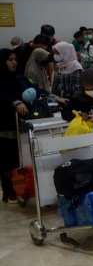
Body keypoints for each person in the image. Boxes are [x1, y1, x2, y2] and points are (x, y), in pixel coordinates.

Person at [0, 49, 46, 203]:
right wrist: (16, 102)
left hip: (23, 124)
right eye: (9, 60)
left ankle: (23, 190)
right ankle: (9, 193)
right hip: (6, 125)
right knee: (8, 160)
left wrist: (53, 96)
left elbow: (32, 90)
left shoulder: (20, 76)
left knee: (22, 159)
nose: (14, 62)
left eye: (15, 59)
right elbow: (2, 97)